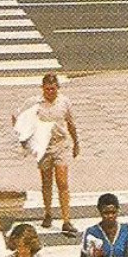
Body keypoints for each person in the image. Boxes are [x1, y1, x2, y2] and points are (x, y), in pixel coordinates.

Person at [23, 74, 79, 236]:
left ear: (57, 88)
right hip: (43, 146)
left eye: (53, 89)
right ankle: (48, 212)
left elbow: (71, 124)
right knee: (46, 182)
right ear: (43, 89)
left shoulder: (64, 102)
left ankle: (66, 219)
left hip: (60, 145)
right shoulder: (35, 104)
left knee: (62, 182)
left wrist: (76, 143)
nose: (50, 92)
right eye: (47, 89)